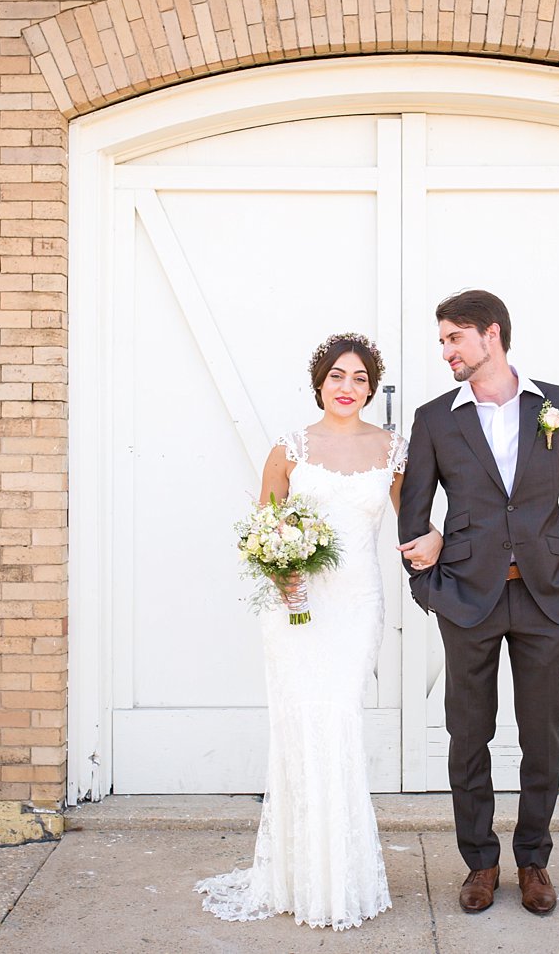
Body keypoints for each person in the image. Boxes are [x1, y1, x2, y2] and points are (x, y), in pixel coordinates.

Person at [196, 333, 442, 931]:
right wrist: (280, 570)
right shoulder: (290, 447)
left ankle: (341, 878)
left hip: (356, 604)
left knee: (338, 721)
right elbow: (263, 524)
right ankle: (294, 875)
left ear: (371, 387)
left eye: (360, 378)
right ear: (320, 382)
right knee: (298, 727)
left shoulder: (394, 450)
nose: (347, 388)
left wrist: (434, 539)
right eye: (338, 376)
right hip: (294, 608)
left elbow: (417, 520)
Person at [397, 290, 559, 916]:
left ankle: (533, 859)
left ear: (491, 334)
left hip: (545, 598)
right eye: (442, 341)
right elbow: (413, 521)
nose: (446, 352)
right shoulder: (435, 419)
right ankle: (480, 862)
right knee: (468, 736)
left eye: (453, 338)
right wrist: (431, 593)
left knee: (541, 735)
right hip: (468, 602)